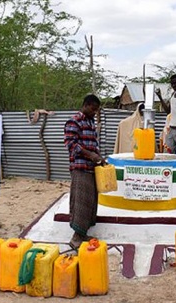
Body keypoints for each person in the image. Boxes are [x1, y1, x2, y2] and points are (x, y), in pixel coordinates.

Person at [64, 94, 105, 249]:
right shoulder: (74, 121)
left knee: (90, 202)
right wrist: (91, 155)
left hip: (91, 168)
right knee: (80, 202)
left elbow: (93, 145)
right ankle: (75, 239)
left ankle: (83, 234)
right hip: (80, 168)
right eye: (93, 109)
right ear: (86, 105)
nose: (95, 112)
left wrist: (100, 158)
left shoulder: (90, 122)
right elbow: (72, 145)